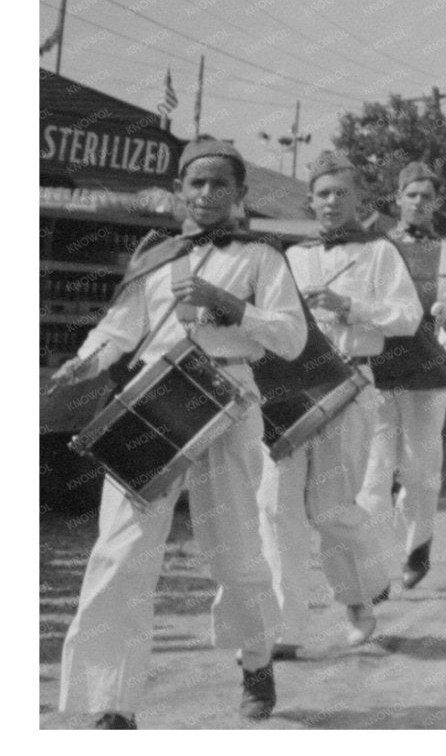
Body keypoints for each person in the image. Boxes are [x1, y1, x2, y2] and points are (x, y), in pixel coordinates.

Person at [50, 138, 308, 727]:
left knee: (235, 549)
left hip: (228, 397)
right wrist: (87, 361)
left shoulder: (263, 257)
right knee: (121, 550)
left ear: (240, 194)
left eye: (221, 184)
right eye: (197, 183)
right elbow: (119, 330)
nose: (207, 193)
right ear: (178, 191)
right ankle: (112, 701)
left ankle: (257, 659)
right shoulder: (155, 255)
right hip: (154, 398)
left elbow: (292, 339)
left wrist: (231, 306)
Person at [263, 152, 420, 655]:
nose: (331, 202)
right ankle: (282, 627)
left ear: (359, 199)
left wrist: (349, 306)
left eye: (341, 193)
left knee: (330, 508)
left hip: (349, 383)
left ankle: (360, 595)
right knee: (275, 507)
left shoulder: (379, 252)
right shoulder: (291, 256)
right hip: (291, 387)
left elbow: (408, 316)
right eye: (323, 193)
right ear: (310, 200)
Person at [366, 160, 446, 592]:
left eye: (426, 196)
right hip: (377, 370)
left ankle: (417, 547)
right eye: (411, 195)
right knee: (374, 474)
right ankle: (374, 568)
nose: (418, 203)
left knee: (420, 471)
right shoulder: (376, 247)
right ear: (398, 199)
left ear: (436, 203)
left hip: (429, 373)